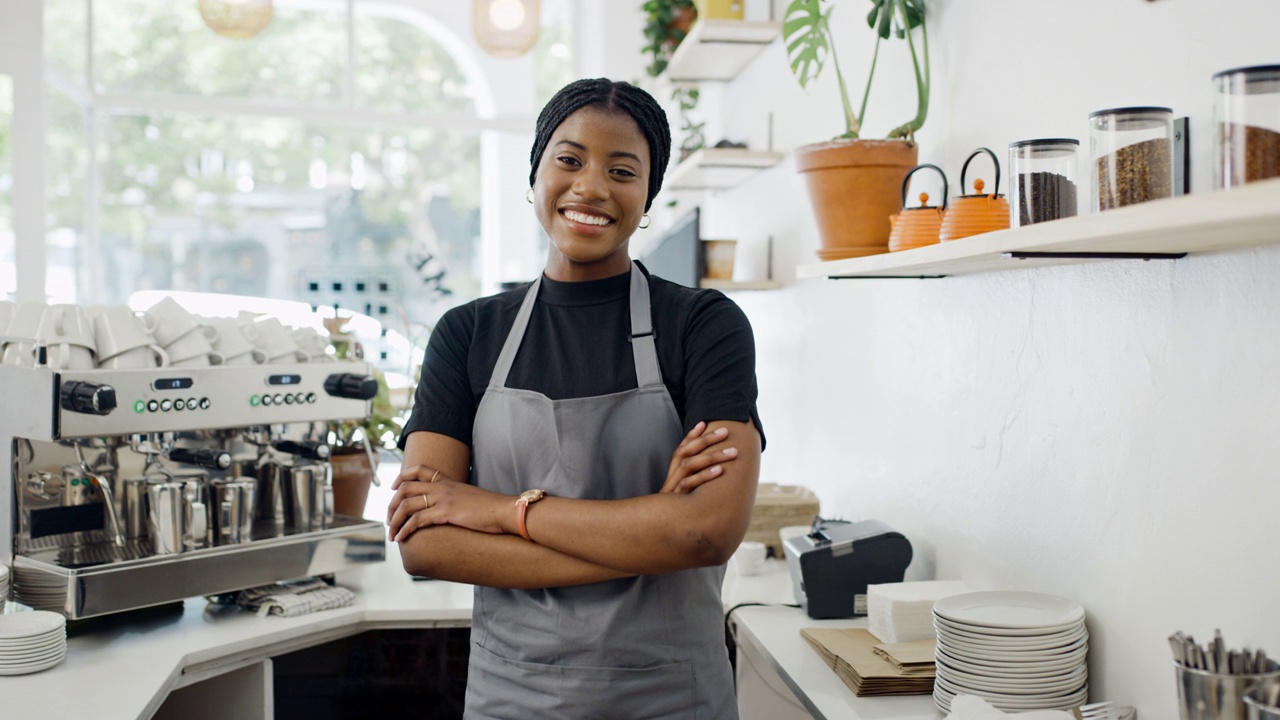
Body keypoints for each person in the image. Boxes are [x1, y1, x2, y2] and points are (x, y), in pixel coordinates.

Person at [387, 77, 765, 719]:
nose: (591, 187)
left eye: (623, 170)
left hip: (670, 698)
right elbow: (425, 544)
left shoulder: (703, 324)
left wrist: (501, 510)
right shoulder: (469, 333)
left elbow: (703, 533)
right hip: (514, 699)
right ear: (534, 174)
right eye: (569, 160)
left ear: (648, 197)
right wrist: (647, 539)